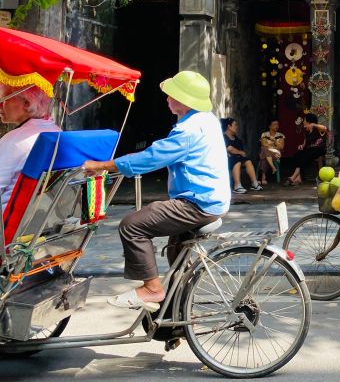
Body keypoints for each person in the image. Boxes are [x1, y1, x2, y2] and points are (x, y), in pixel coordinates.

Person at [82, 71, 231, 311]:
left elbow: (154, 157)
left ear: (183, 99)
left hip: (197, 203)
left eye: (171, 95)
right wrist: (129, 160)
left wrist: (102, 166)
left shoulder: (189, 130)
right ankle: (175, 325)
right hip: (210, 200)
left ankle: (152, 288)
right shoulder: (206, 120)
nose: (167, 99)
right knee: (176, 260)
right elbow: (158, 152)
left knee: (132, 226)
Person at [0, 84, 60, 211]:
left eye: (4, 99)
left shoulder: (15, 140)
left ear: (26, 103)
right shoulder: (56, 131)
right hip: (43, 216)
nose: (0, 105)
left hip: (9, 223)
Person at [285, 113, 328, 185]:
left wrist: (314, 125)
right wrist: (301, 146)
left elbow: (325, 128)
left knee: (304, 155)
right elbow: (305, 144)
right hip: (309, 150)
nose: (303, 122)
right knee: (297, 155)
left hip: (318, 149)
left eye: (305, 120)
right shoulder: (306, 131)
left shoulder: (317, 129)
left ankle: (293, 177)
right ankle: (298, 178)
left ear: (309, 121)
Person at [222, 117, 262, 193]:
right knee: (237, 161)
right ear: (229, 126)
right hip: (226, 159)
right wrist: (239, 152)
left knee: (248, 161)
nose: (237, 127)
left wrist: (239, 152)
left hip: (235, 158)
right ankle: (237, 186)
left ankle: (255, 183)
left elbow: (240, 151)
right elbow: (229, 149)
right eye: (235, 125)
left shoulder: (236, 138)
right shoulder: (224, 137)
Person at [259, 119, 285, 185]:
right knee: (265, 150)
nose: (276, 126)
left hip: (276, 154)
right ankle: (273, 167)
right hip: (267, 152)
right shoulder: (264, 134)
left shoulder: (281, 135)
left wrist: (274, 141)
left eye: (277, 124)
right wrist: (273, 147)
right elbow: (263, 144)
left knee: (264, 151)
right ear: (269, 126)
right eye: (274, 124)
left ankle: (263, 178)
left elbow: (281, 147)